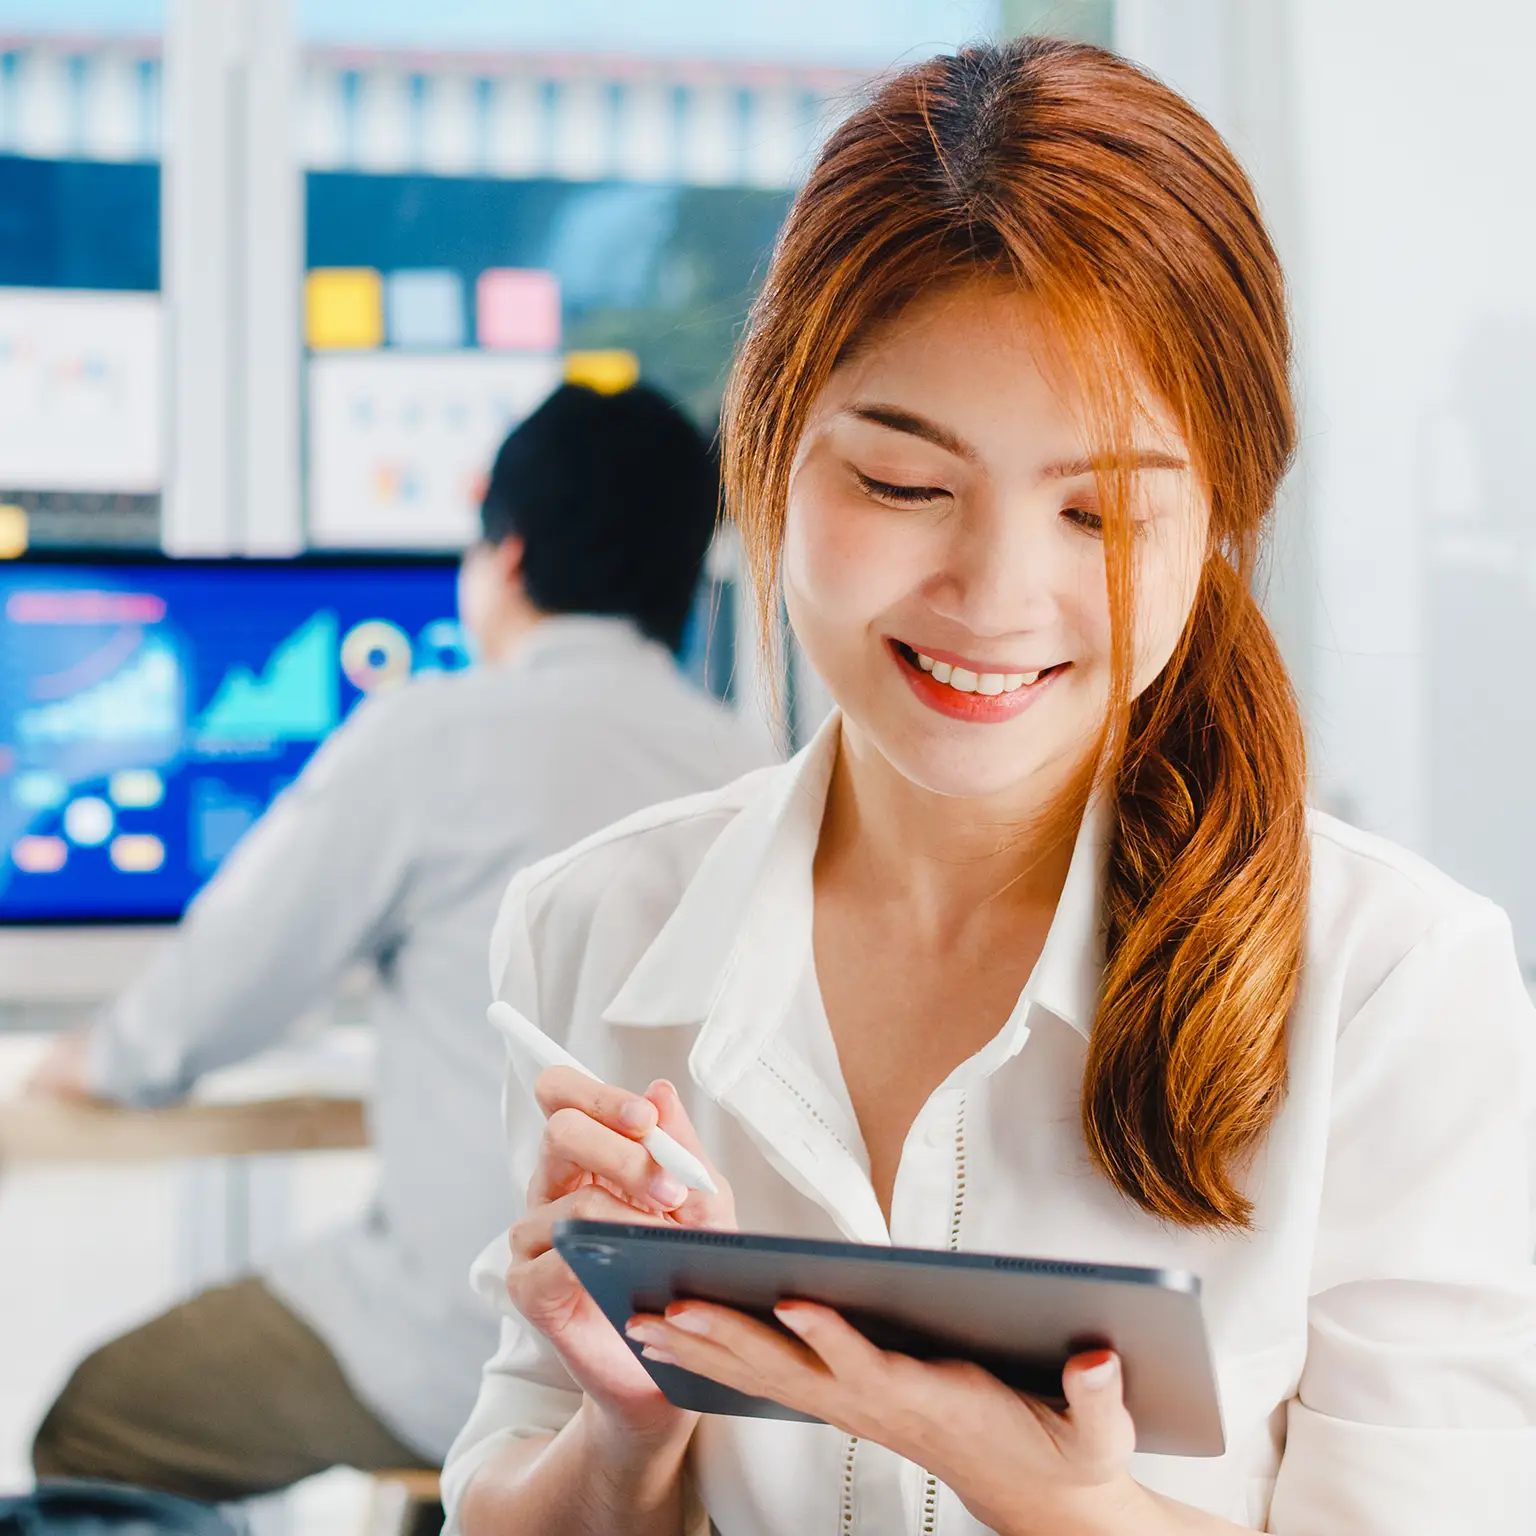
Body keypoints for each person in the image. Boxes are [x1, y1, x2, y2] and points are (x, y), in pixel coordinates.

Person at [442, 39, 1536, 1536]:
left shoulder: (1396, 989)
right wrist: (628, 1435)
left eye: (1101, 510)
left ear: (1219, 518)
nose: (996, 596)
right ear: (765, 457)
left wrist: (1053, 1498)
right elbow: (521, 1482)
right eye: (904, 485)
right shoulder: (593, 929)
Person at [25, 382, 771, 1519]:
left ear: (505, 555)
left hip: (465, 1340)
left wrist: (98, 1061)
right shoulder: (757, 770)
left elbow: (218, 992)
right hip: (704, 1359)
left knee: (96, 1416)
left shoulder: (434, 733)